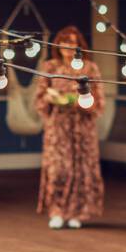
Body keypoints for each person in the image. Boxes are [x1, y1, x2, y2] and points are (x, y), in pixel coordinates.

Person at [34, 26, 104, 230]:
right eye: (64, 43)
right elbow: (40, 97)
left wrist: (77, 101)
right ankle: (56, 211)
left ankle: (77, 213)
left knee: (81, 169)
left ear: (79, 46)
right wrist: (51, 97)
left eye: (72, 43)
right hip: (57, 126)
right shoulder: (50, 67)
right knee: (58, 169)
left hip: (82, 126)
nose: (67, 47)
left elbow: (98, 100)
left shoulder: (90, 68)